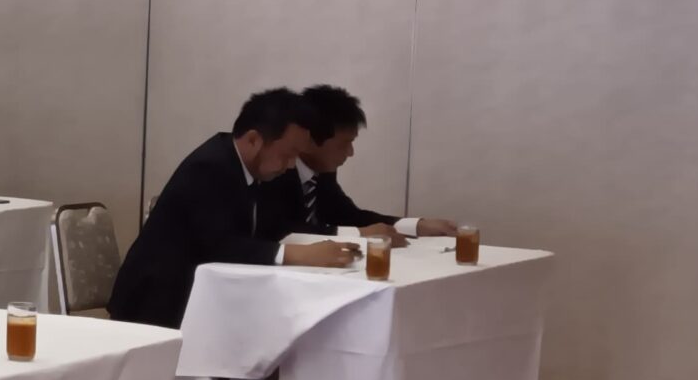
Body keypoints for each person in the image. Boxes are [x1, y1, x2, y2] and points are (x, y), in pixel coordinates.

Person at [107, 89, 357, 329]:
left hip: (201, 298)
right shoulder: (210, 167)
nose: (291, 166)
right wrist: (297, 254)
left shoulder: (251, 169)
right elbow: (218, 245)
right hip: (155, 304)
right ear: (253, 140)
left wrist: (325, 244)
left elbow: (271, 228)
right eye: (288, 155)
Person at [256, 84, 460, 247]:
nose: (350, 153)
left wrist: (415, 226)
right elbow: (280, 230)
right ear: (309, 141)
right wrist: (359, 234)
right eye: (344, 144)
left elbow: (347, 215)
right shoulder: (275, 168)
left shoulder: (321, 172)